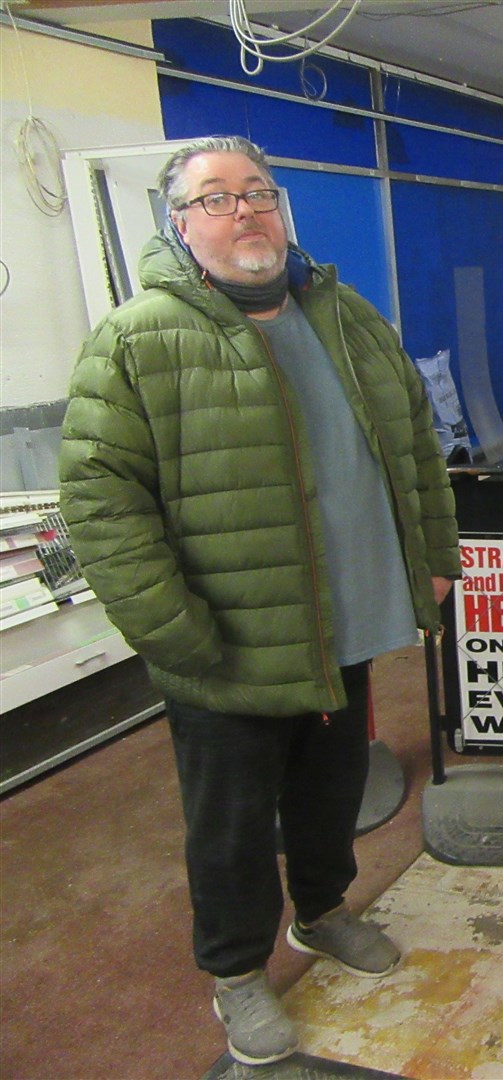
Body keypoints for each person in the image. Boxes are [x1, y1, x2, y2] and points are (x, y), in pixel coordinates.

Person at [59, 136, 461, 1065]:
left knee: (329, 794)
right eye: (217, 199)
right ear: (180, 224)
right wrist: (172, 629)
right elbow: (100, 500)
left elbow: (413, 443)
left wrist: (432, 556)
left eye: (259, 193)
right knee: (232, 823)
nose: (245, 211)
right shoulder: (138, 338)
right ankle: (238, 974)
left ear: (281, 209)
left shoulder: (346, 315)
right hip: (226, 643)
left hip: (347, 621)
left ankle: (320, 914)